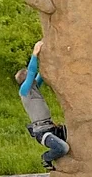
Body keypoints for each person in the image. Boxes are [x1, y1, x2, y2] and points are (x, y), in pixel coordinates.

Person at [15, 39, 69, 168]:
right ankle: (46, 158)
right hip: (42, 131)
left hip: (51, 127)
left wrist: (48, 56)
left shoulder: (34, 88)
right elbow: (32, 72)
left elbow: (42, 75)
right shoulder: (25, 91)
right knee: (63, 148)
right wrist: (35, 53)